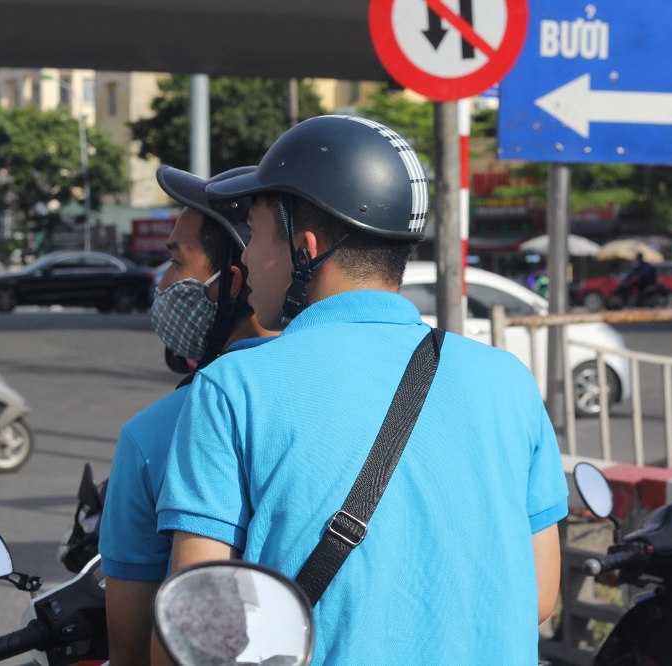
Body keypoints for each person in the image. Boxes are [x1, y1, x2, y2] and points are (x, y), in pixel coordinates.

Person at [155, 116, 567, 665]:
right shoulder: (507, 379)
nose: (247, 257)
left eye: (254, 235)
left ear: (307, 248)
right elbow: (540, 596)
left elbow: (202, 637)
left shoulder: (232, 388)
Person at [99, 165, 275, 666]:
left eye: (177, 261)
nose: (164, 280)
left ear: (236, 280)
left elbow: (132, 650)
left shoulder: (156, 432)